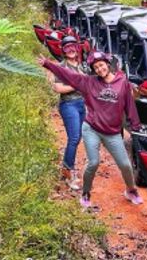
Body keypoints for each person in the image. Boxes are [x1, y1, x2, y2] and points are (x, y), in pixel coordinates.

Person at [38, 50, 143, 208]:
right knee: (93, 162)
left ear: (107, 64)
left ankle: (131, 190)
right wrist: (48, 64)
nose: (100, 69)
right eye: (96, 68)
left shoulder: (122, 82)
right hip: (92, 129)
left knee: (125, 165)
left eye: (101, 65)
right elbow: (68, 75)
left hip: (113, 132)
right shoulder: (89, 82)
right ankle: (86, 194)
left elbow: (130, 105)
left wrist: (135, 126)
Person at [51, 35, 86, 190]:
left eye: (73, 47)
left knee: (78, 138)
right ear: (63, 51)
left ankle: (66, 169)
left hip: (81, 104)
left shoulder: (82, 66)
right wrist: (77, 84)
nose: (71, 50)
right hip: (68, 104)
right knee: (73, 138)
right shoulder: (61, 67)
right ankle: (68, 172)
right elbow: (57, 88)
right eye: (67, 48)